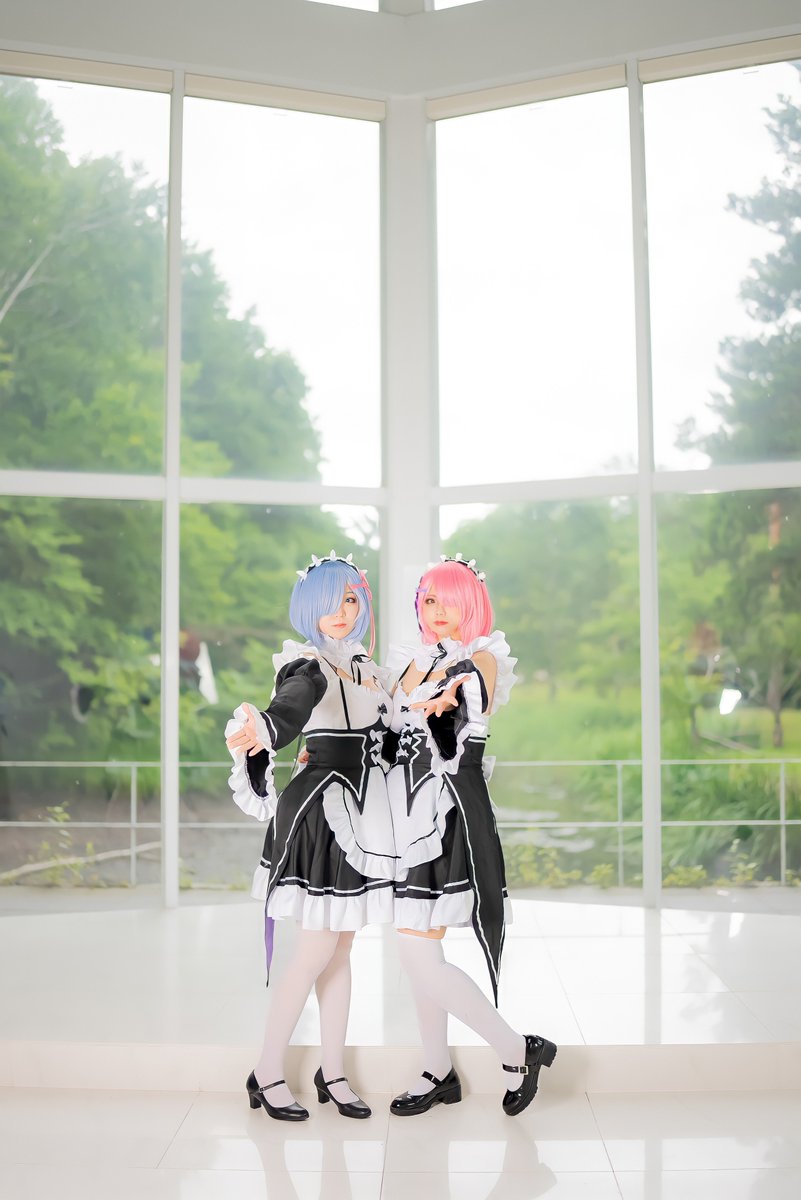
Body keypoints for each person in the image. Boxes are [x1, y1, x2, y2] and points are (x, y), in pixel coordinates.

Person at [225, 551, 396, 1122]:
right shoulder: (308, 665)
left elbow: (389, 735)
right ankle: (266, 1072)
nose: (341, 613)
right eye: (329, 603)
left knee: (341, 950)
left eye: (350, 600)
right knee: (316, 951)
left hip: (360, 813)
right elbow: (288, 710)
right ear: (308, 609)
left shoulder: (367, 668)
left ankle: (333, 1072)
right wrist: (263, 730)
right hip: (321, 814)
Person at [385, 554, 556, 1117]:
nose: (438, 611)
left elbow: (466, 712)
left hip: (446, 810)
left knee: (416, 951)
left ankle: (517, 1050)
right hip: (403, 813)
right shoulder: (414, 662)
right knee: (420, 948)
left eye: (450, 601)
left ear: (472, 605)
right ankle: (438, 1070)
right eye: (430, 600)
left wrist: (442, 706)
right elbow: (386, 729)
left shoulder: (481, 658)